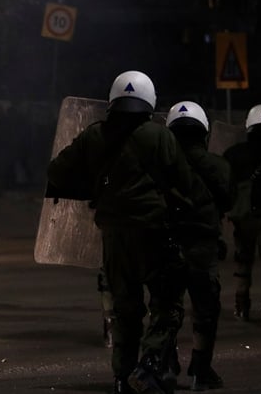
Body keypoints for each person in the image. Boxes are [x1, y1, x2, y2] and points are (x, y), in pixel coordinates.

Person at [46, 70, 199, 394]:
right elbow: (185, 182)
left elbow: (57, 171)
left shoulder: (94, 135)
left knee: (125, 308)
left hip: (114, 235)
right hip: (154, 232)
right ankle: (149, 365)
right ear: (149, 101)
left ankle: (121, 377)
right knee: (167, 303)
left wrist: (94, 187)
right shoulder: (159, 136)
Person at [165, 101, 233, 391]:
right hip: (203, 246)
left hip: (167, 245)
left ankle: (165, 366)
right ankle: (200, 369)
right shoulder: (218, 165)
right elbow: (228, 202)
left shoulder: (160, 164)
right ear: (203, 132)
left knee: (166, 307)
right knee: (206, 309)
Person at [223, 104, 261, 326]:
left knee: (242, 262)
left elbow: (227, 186)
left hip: (244, 216)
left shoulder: (234, 154)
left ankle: (241, 306)